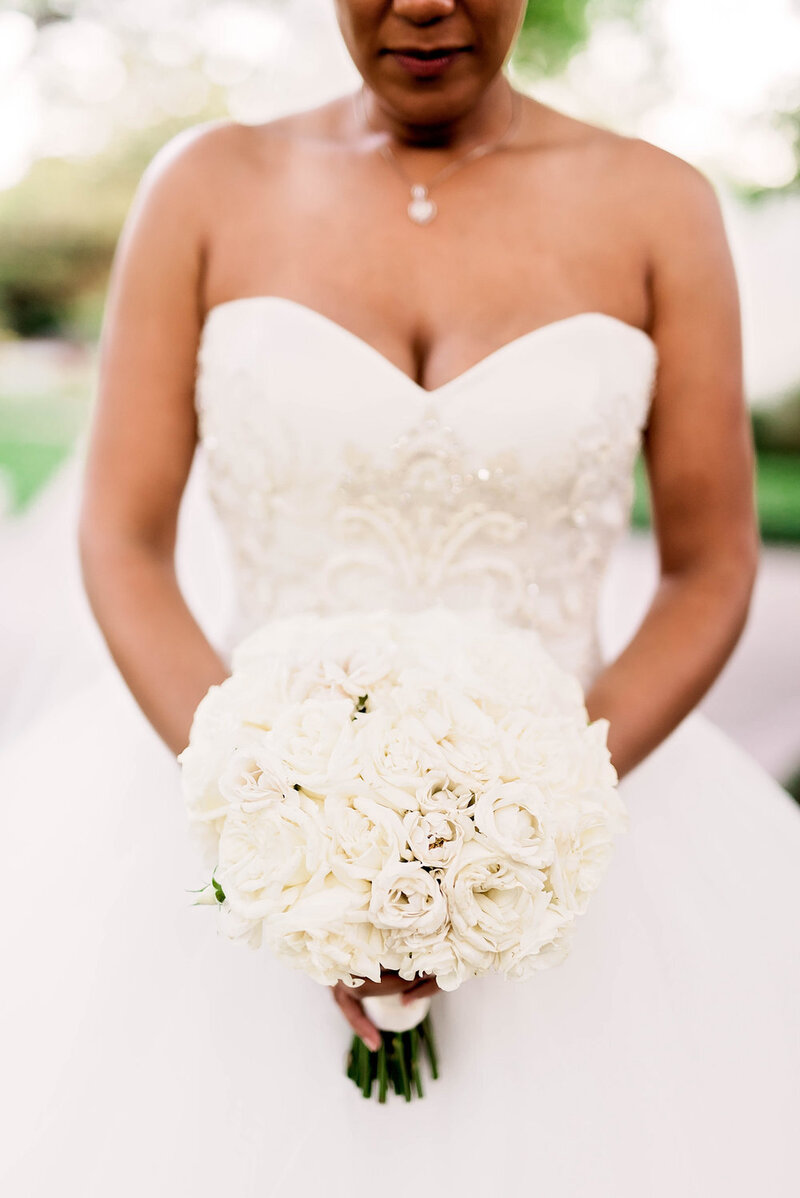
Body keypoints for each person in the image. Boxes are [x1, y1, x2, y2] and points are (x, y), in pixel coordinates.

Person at [1, 1, 799, 1194]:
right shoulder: (206, 186)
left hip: (589, 805)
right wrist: (279, 827)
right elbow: (121, 539)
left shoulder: (658, 203)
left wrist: (519, 820)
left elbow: (708, 566)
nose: (424, 3)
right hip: (216, 794)